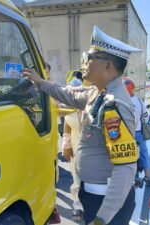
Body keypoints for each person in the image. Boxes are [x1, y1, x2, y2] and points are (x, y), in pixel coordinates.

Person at [23, 26, 141, 225]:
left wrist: (104, 217)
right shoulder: (98, 92)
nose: (84, 62)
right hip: (91, 195)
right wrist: (41, 82)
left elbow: (125, 167)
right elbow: (68, 95)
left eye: (90, 57)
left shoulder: (115, 104)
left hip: (104, 202)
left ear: (108, 66)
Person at [122, 77, 150, 187]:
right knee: (144, 154)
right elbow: (146, 117)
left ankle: (128, 178)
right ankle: (148, 177)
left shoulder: (119, 102)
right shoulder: (139, 100)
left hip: (125, 135)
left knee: (125, 156)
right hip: (138, 133)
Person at [62, 77, 85, 222]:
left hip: (92, 152)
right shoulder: (68, 108)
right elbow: (67, 127)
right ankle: (78, 205)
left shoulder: (90, 106)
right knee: (76, 178)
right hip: (75, 150)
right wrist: (66, 145)